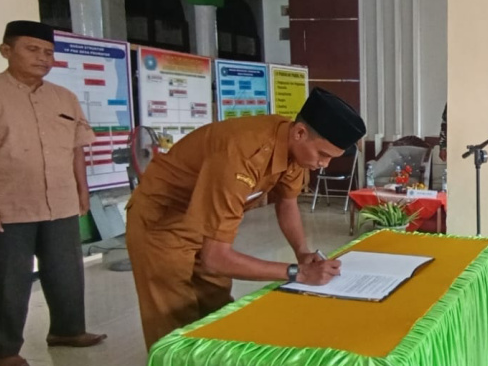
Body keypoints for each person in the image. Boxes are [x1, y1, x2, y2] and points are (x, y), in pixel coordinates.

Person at [125, 88, 366, 349]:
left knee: (216, 305)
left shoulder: (295, 149)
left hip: (204, 218)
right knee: (173, 316)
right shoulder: (242, 153)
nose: (324, 164)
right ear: (299, 133)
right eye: (323, 155)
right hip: (162, 221)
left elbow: (287, 202)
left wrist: (302, 252)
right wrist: (298, 273)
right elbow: (216, 258)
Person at [0, 21, 107, 366]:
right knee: (8, 280)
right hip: (7, 205)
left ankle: (67, 330)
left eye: (49, 52)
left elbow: (76, 148)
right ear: (6, 51)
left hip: (61, 201)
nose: (43, 58)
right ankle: (4, 350)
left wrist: (82, 190)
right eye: (32, 49)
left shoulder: (64, 97)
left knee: (66, 271)